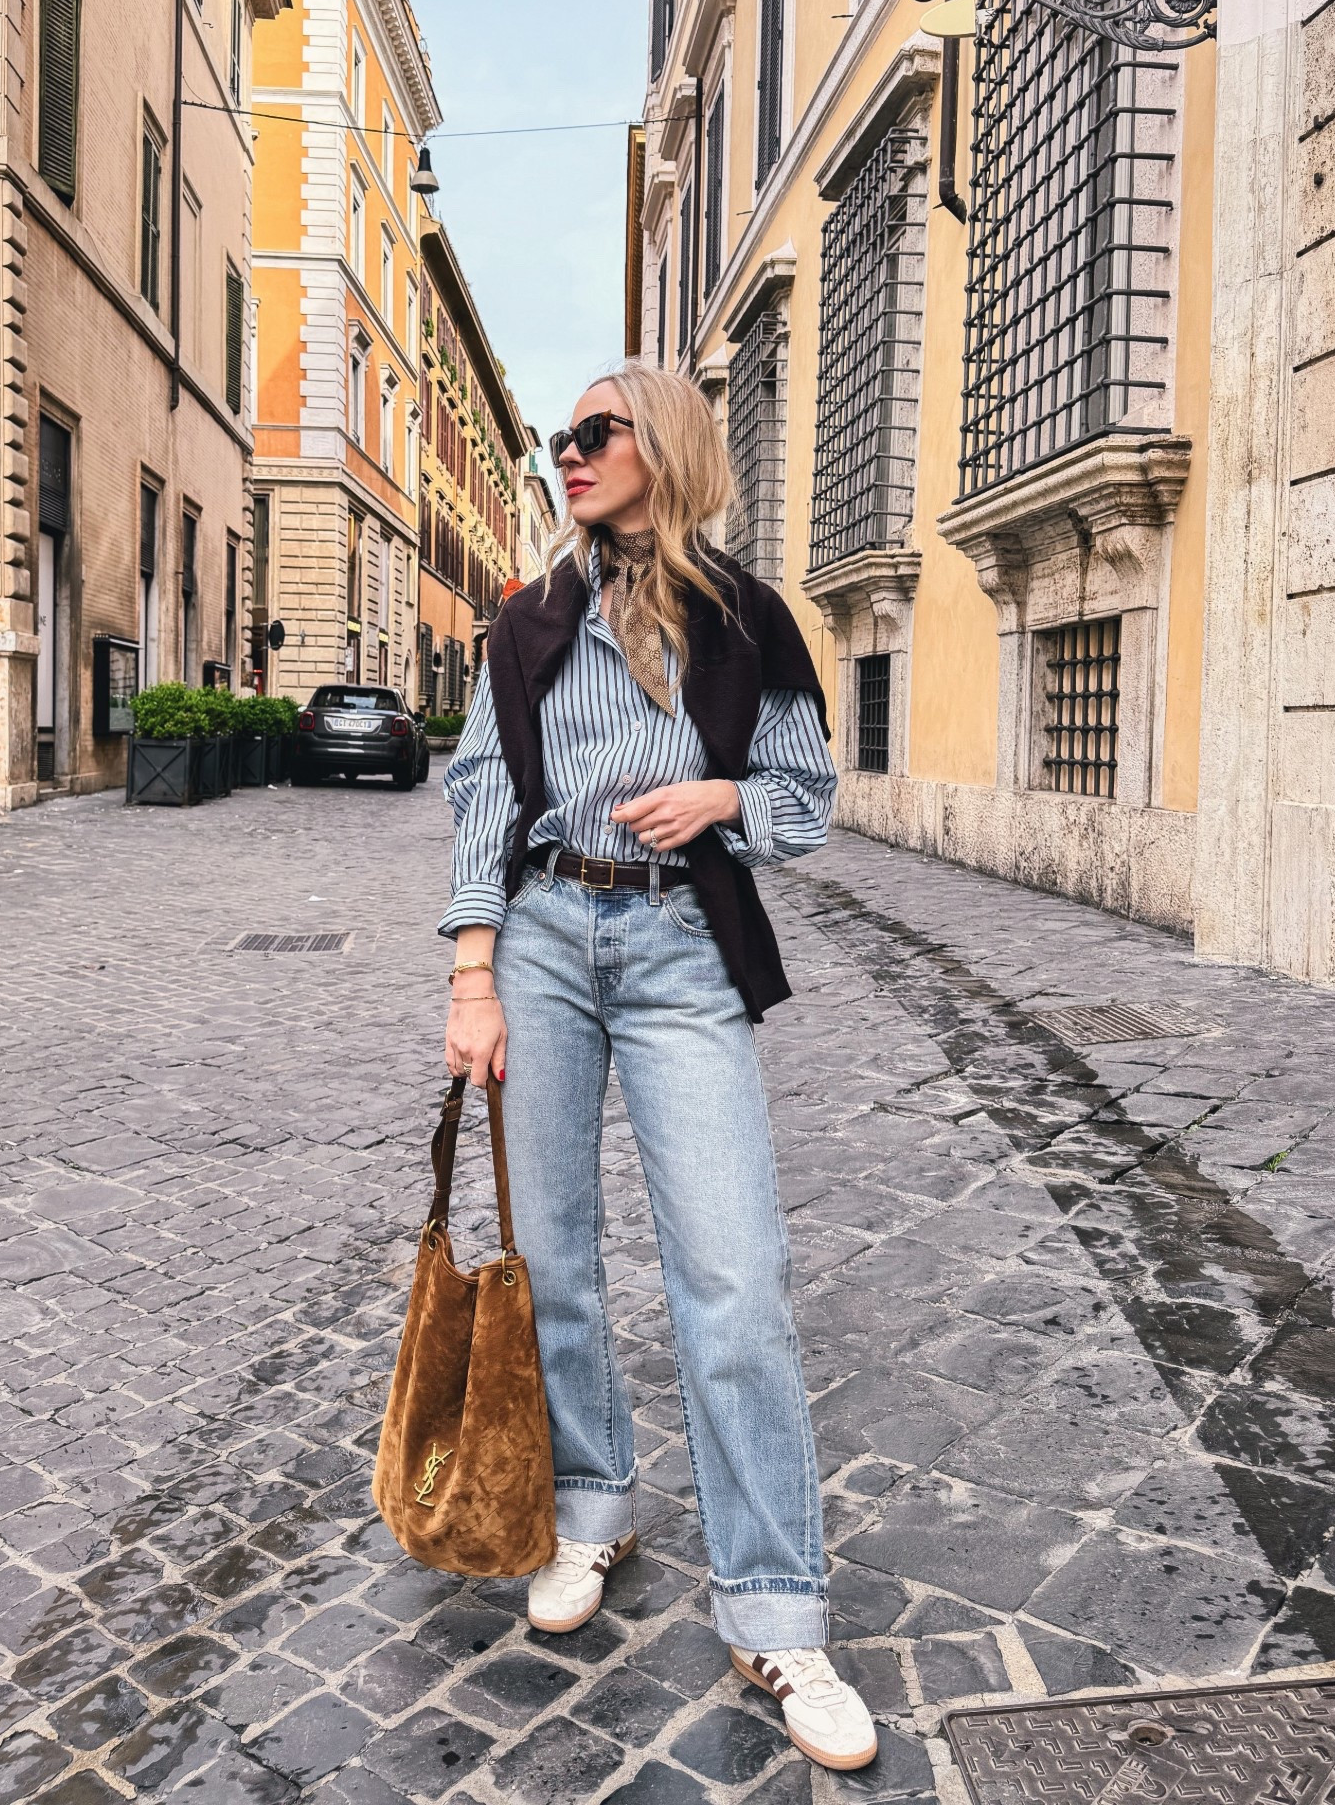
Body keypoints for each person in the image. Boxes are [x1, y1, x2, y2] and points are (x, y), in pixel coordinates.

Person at [439, 361, 877, 1773]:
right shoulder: (529, 619)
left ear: (664, 446)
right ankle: (589, 1508)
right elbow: (483, 795)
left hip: (685, 943)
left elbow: (809, 801)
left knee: (735, 1275)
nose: (568, 456)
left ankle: (775, 1610)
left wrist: (729, 796)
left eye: (594, 435)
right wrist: (471, 972)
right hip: (548, 942)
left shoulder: (747, 617)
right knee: (556, 1256)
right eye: (559, 440)